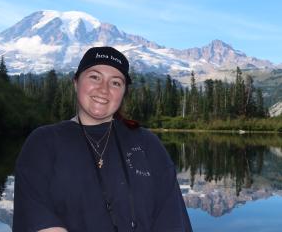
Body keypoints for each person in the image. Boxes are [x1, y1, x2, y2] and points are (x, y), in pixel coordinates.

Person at [13, 46, 193, 232]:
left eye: (115, 83)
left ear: (124, 93)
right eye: (94, 77)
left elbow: (172, 219)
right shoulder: (43, 142)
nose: (103, 89)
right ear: (76, 82)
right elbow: (35, 217)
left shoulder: (148, 144)